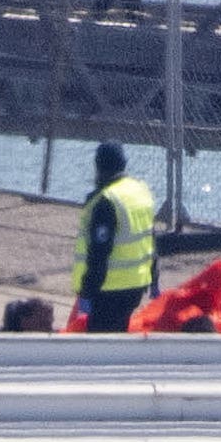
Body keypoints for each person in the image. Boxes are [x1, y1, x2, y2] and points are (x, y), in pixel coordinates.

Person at [72, 141, 157, 333]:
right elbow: (150, 238)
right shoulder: (140, 191)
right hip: (136, 285)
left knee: (100, 342)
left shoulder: (107, 200)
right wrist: (154, 278)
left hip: (108, 288)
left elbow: (99, 252)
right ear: (123, 164)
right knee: (119, 335)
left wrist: (88, 290)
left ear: (98, 166)